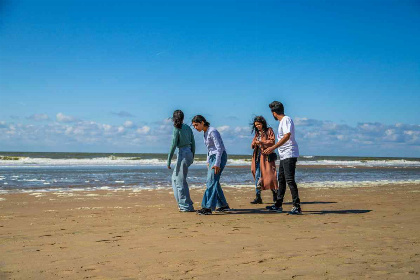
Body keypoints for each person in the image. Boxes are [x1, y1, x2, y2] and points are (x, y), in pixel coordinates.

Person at [263, 101, 302, 214]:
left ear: (274, 113)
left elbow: (287, 135)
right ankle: (278, 205)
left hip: (289, 153)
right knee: (282, 180)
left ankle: (297, 206)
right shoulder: (282, 122)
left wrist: (273, 147)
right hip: (284, 155)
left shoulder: (286, 120)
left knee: (290, 180)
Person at [191, 115, 230, 215]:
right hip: (213, 157)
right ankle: (223, 205)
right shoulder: (205, 132)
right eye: (194, 126)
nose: (195, 127)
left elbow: (219, 148)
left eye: (196, 125)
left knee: (211, 181)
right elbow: (209, 149)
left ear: (202, 122)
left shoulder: (212, 131)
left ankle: (207, 207)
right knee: (214, 181)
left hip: (219, 157)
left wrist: (217, 163)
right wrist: (207, 161)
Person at [167, 110, 195, 212]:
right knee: (175, 179)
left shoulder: (177, 128)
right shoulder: (188, 127)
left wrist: (168, 160)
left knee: (179, 181)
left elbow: (173, 145)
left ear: (174, 118)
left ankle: (185, 206)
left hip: (182, 153)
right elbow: (193, 143)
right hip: (188, 153)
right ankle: (182, 203)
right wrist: (192, 156)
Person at [250, 116, 278, 204]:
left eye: (259, 124)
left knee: (270, 176)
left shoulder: (269, 130)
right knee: (257, 175)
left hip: (266, 157)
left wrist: (261, 142)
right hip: (257, 157)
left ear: (263, 123)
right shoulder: (257, 133)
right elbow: (252, 144)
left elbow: (272, 141)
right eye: (256, 125)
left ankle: (275, 194)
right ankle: (258, 197)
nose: (257, 126)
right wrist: (254, 143)